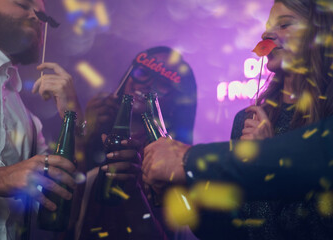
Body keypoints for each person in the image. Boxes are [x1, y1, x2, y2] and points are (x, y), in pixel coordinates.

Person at [142, 0, 333, 239]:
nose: (266, 34)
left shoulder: (326, 123)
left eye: (284, 24)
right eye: (268, 27)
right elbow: (230, 229)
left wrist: (265, 159)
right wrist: (183, 191)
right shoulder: (247, 118)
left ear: (320, 34)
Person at [0, 0, 84, 239]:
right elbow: (10, 177)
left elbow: (62, 197)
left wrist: (72, 115)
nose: (37, 17)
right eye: (23, 4)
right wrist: (2, 177)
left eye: (42, 16)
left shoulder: (25, 115)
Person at [76, 46, 197, 240]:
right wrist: (83, 134)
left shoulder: (171, 162)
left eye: (163, 83)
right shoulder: (98, 136)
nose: (148, 84)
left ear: (177, 103)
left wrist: (132, 190)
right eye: (143, 73)